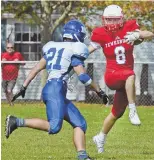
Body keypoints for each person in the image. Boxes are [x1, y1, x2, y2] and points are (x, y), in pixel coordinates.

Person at [5, 20, 109, 160]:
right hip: (56, 89)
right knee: (54, 127)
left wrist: (24, 86)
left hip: (54, 89)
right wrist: (100, 91)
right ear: (77, 34)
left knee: (80, 123)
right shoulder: (75, 49)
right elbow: (83, 77)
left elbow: (36, 68)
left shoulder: (53, 48)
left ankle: (83, 156)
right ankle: (16, 121)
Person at [88, 4, 154, 153]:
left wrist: (137, 35)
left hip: (125, 80)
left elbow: (150, 34)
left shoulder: (129, 27)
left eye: (114, 20)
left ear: (121, 19)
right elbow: (88, 51)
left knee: (116, 112)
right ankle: (133, 109)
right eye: (108, 20)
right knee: (130, 74)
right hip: (112, 75)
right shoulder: (100, 33)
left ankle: (100, 137)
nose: (111, 23)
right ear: (104, 19)